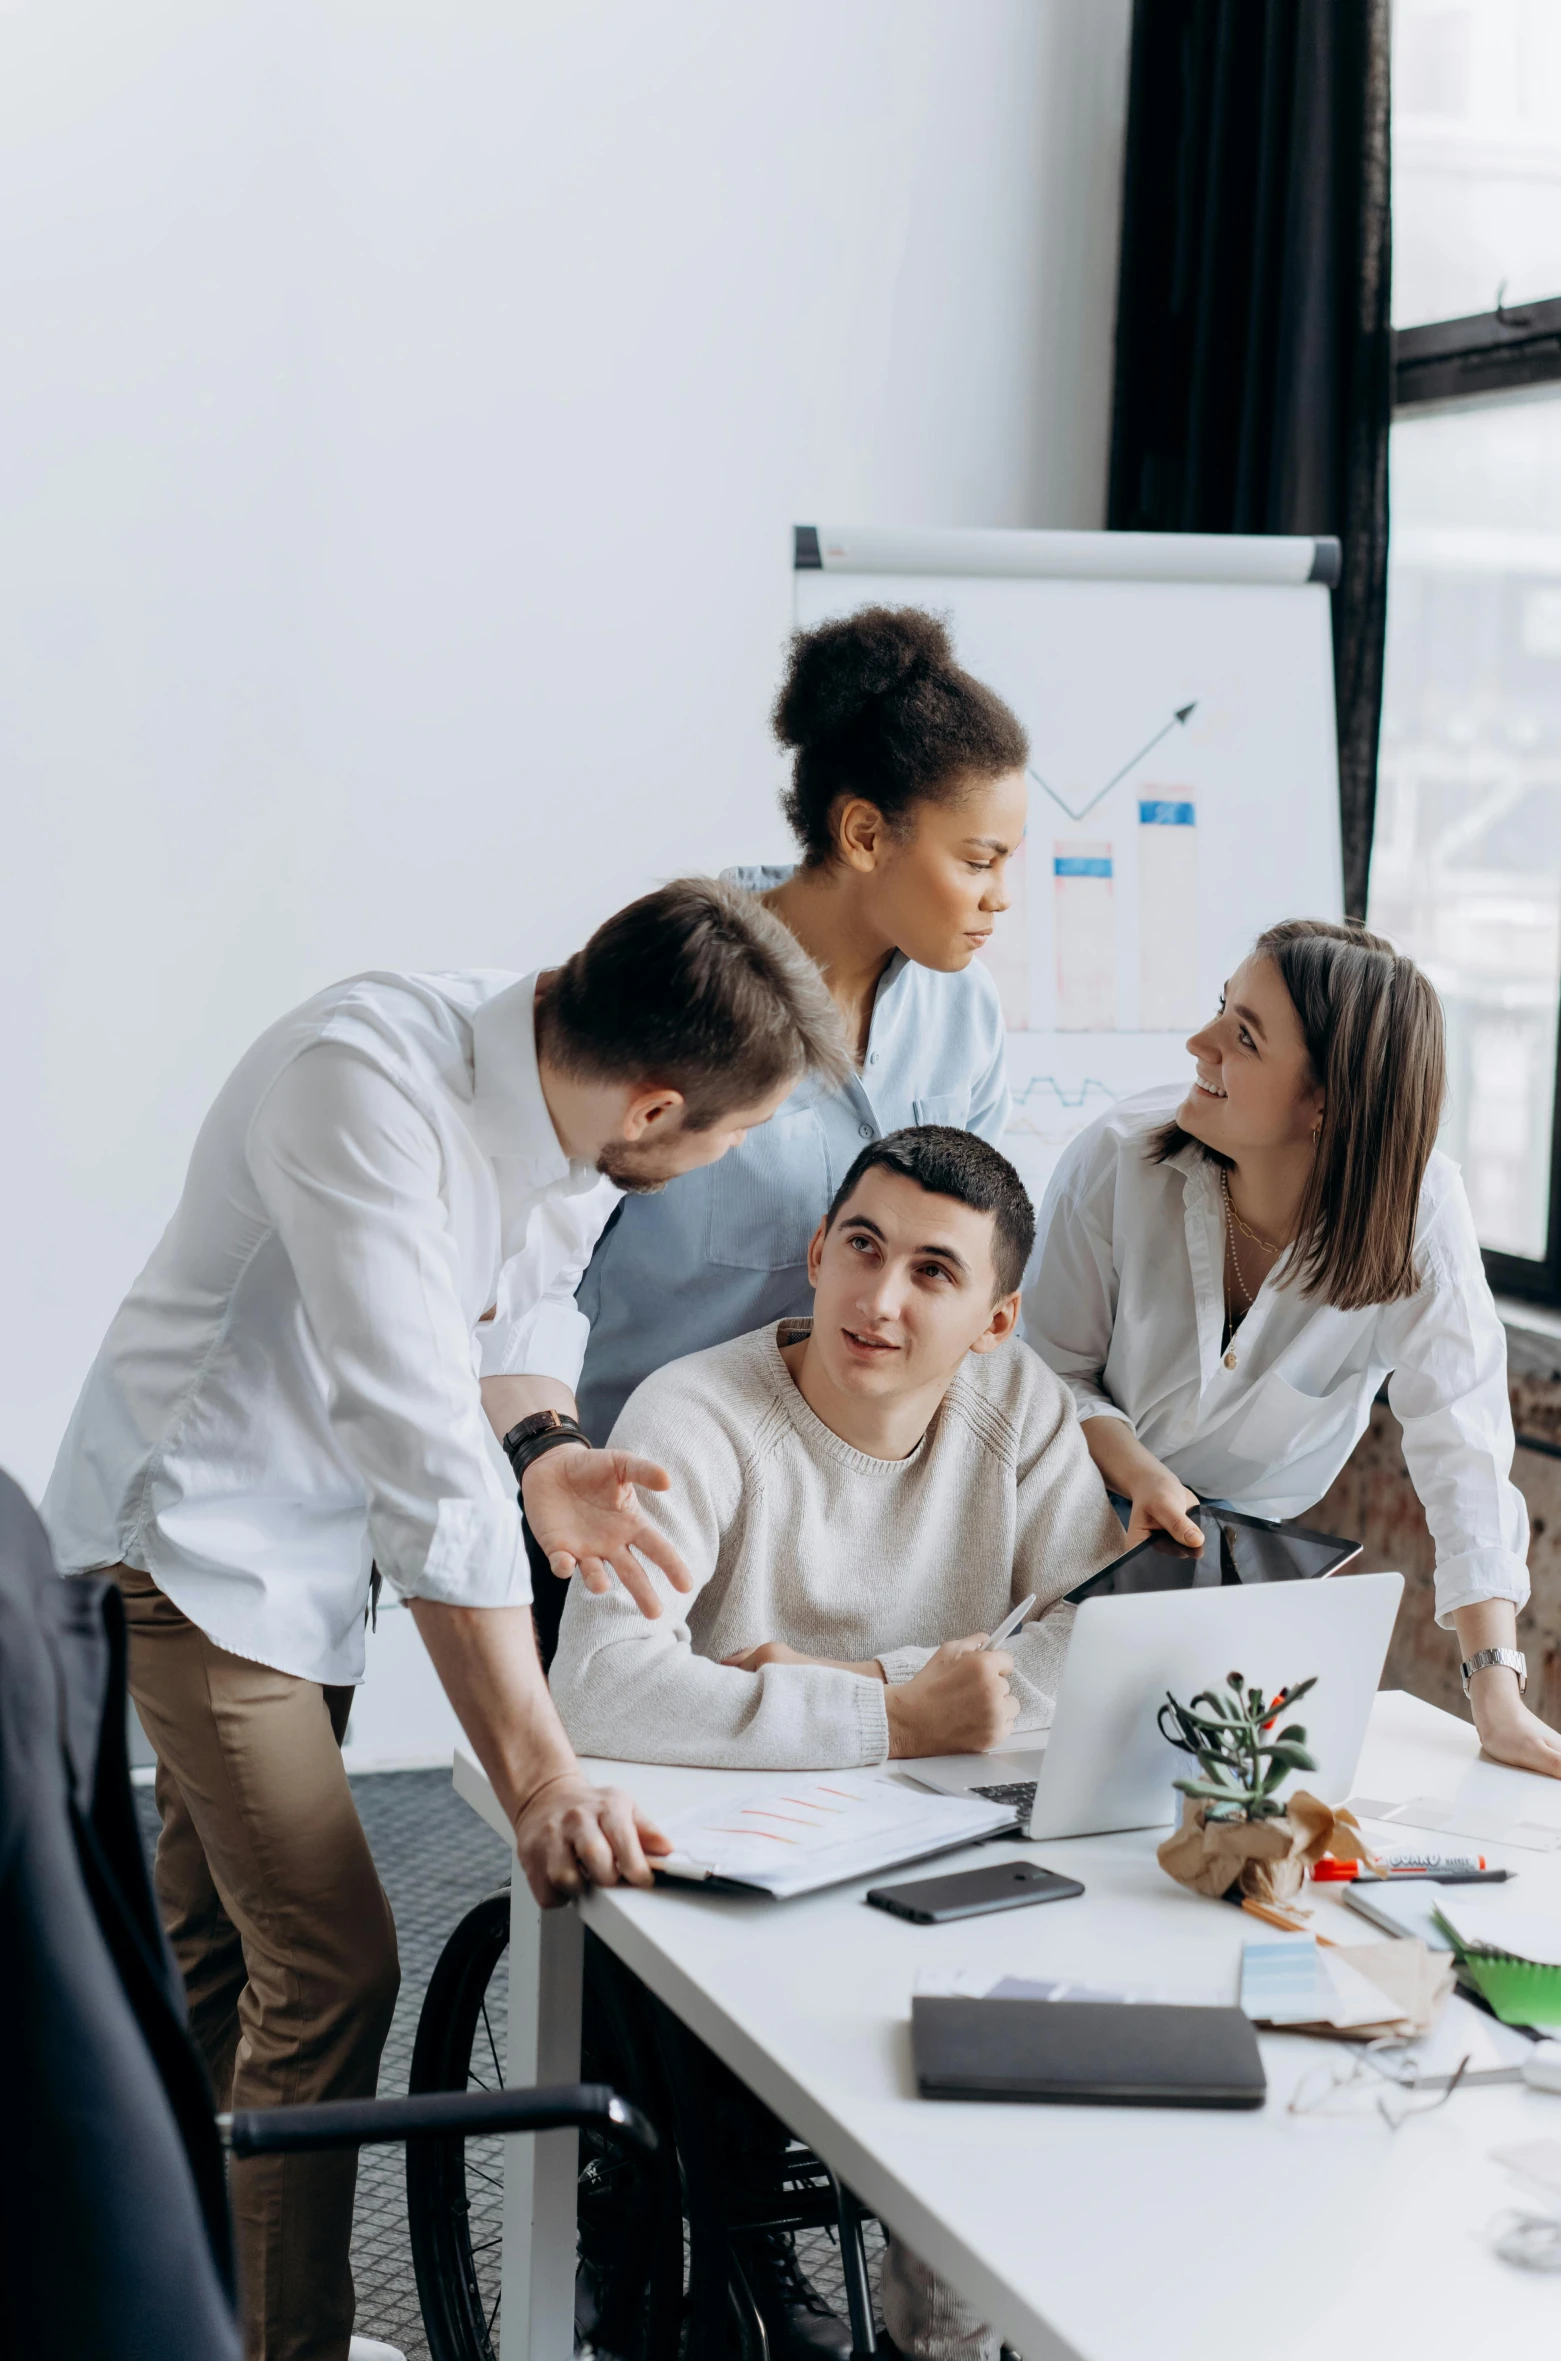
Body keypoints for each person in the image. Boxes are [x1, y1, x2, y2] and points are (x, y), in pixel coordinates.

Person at [40, 877, 847, 2361]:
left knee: (218, 1952)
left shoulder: (568, 1080)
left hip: (311, 1558)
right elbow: (420, 1450)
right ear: (661, 1104)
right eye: (728, 1137)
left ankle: (158, 2301)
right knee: (333, 1961)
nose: (723, 1159)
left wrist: (545, 1453)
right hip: (200, 1548)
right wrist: (541, 1776)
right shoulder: (363, 1090)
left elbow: (522, 1321)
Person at [551, 1126, 1122, 2361]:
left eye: (932, 1272)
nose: (879, 1298)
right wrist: (895, 1714)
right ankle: (681, 2248)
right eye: (860, 1248)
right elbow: (597, 1687)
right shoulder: (694, 1413)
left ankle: (945, 2329)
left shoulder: (1017, 1409)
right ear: (814, 1251)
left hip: (944, 1844)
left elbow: (1083, 1644)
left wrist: (859, 1681)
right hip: (733, 1856)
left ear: (995, 1319)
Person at [1026, 916, 1560, 1781]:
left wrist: (1494, 1690)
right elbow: (1042, 1372)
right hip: (1059, 1527)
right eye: (1218, 1011)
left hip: (1240, 1583)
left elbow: (1462, 1446)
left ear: (1327, 1100)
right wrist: (1141, 1471)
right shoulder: (1117, 1159)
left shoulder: (1419, 1211)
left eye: (1241, 1036)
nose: (1196, 1044)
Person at [571, 606, 1029, 1463]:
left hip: (836, 1499)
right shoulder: (675, 981)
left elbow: (973, 1256)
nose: (1001, 894)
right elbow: (539, 1265)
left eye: (1008, 860)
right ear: (863, 834)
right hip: (628, 1480)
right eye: (977, 860)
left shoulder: (964, 1010)